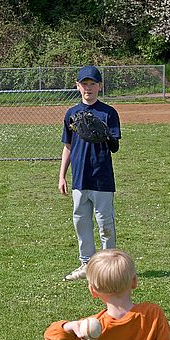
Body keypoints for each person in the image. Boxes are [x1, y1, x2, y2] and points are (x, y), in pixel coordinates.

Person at [59, 65, 121, 281]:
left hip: (102, 177)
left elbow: (115, 145)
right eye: (84, 84)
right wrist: (61, 176)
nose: (88, 88)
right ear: (78, 86)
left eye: (92, 84)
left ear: (100, 86)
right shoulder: (71, 114)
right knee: (81, 221)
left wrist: (105, 135)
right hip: (79, 178)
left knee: (105, 224)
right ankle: (86, 264)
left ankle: (110, 268)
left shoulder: (108, 113)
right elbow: (67, 146)